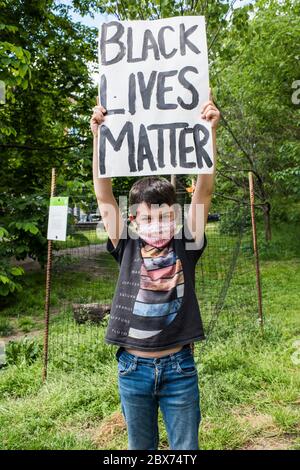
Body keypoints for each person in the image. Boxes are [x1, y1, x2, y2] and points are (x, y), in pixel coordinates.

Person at [90, 90, 220, 450]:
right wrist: (99, 136)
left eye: (165, 215)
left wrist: (209, 131)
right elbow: (103, 196)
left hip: (180, 370)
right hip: (133, 371)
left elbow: (204, 193)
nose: (158, 222)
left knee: (185, 450)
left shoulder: (186, 244)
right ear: (133, 219)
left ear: (175, 215)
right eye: (148, 216)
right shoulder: (126, 245)